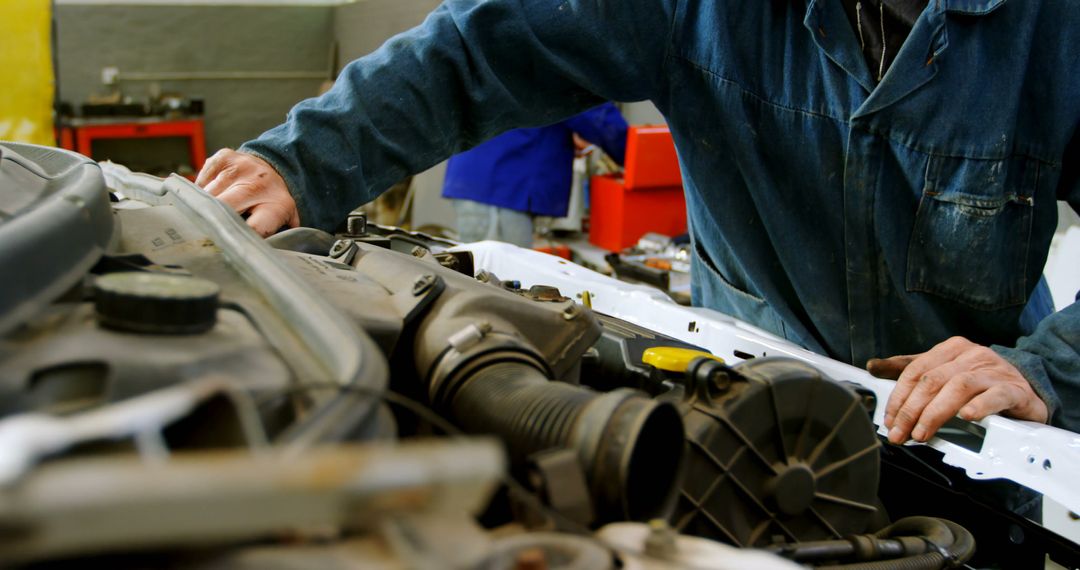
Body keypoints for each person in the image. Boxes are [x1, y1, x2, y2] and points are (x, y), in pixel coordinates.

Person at [195, 0, 1080, 446]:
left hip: (980, 433)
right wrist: (298, 163)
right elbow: (483, 45)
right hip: (756, 406)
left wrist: (1048, 368)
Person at [443, 102, 627, 247]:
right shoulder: (563, 57)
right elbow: (592, 111)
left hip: (492, 179)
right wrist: (634, 152)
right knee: (500, 281)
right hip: (501, 186)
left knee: (493, 279)